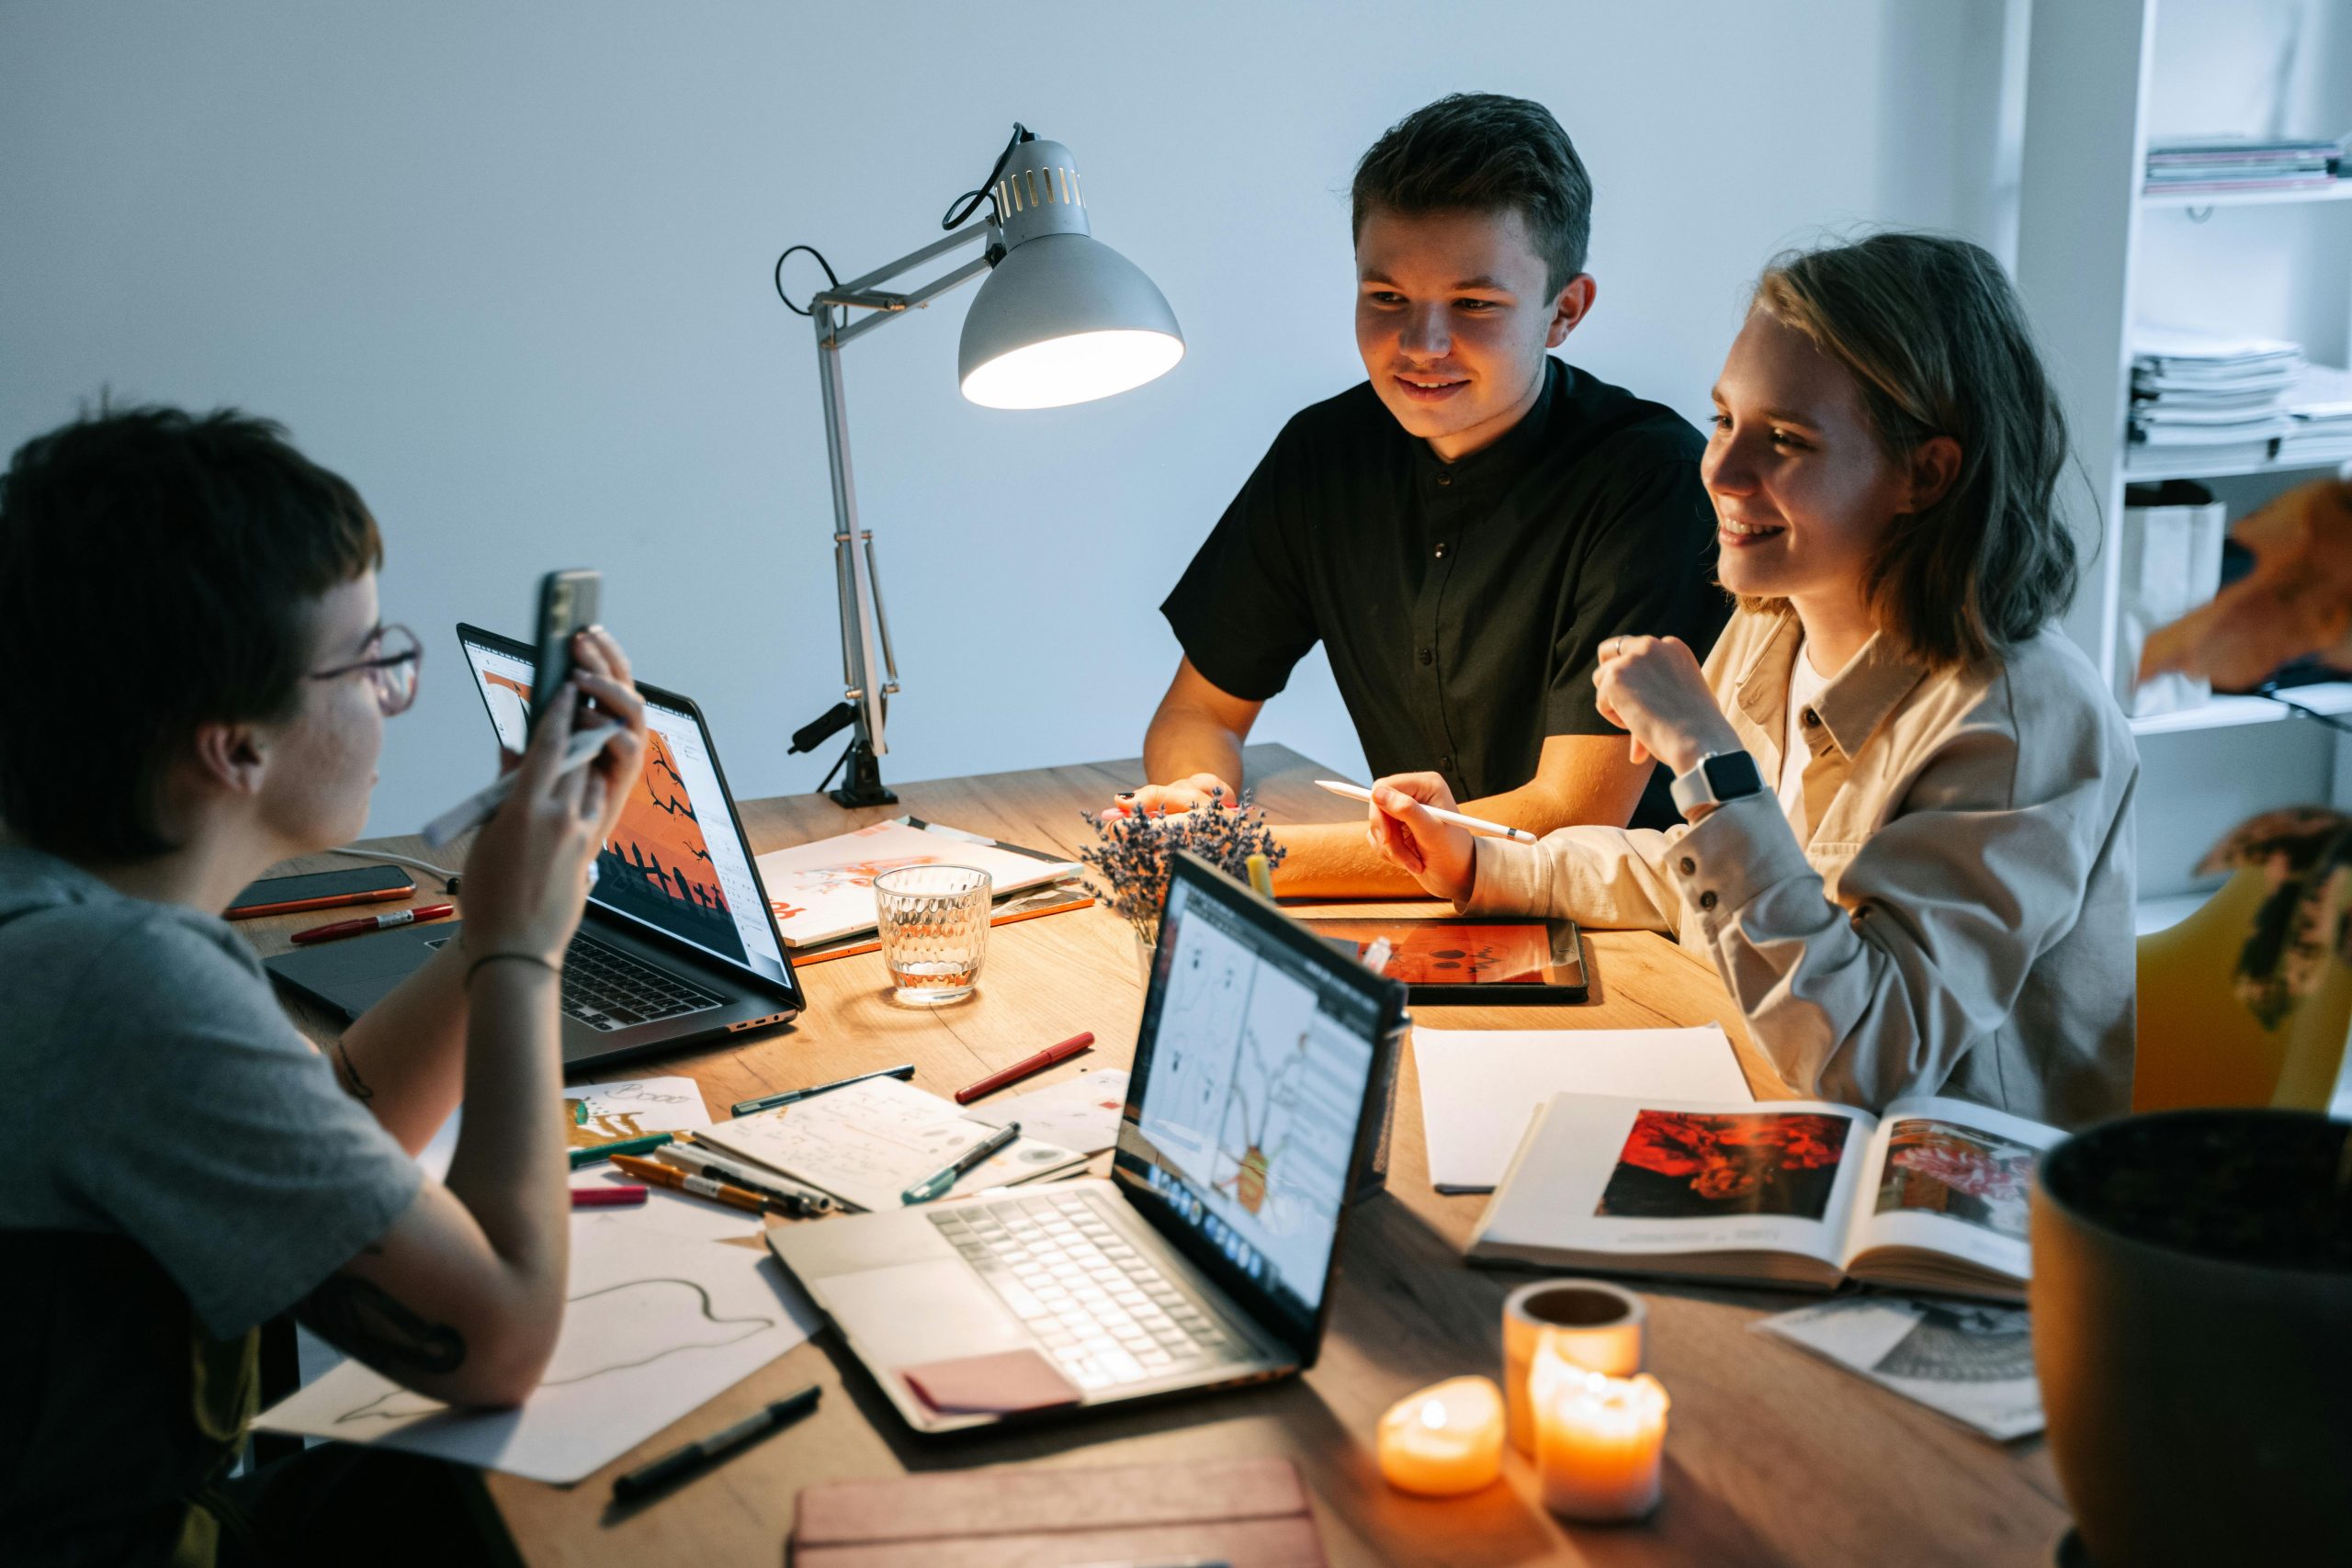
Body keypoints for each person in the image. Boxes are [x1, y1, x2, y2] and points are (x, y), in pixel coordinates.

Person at [0, 406, 650, 1564]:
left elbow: (331, 1126)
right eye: (368, 664)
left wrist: (510, 912)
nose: (394, 696)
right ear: (234, 747)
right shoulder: (121, 984)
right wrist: (518, 952)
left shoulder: (60, 910)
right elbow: (497, 1338)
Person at [1363, 233, 2137, 1126]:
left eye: (1786, 441)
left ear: (1924, 474)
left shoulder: (2017, 718)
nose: (1723, 474)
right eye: (1723, 422)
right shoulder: (1774, 628)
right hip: (1789, 1113)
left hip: (1949, 1214)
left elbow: (1867, 1057)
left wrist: (1708, 760)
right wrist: (1488, 861)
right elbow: (1709, 883)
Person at [1134, 92, 1728, 897]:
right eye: (1387, 299)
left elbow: (1572, 815)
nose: (1422, 345)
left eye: (1475, 304)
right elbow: (1196, 715)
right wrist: (1201, 798)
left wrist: (1232, 857)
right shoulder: (1323, 455)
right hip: (1431, 921)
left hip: (1635, 935)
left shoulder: (1653, 478)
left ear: (1566, 312)